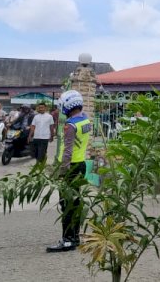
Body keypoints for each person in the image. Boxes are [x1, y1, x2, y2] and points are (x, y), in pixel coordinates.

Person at [47, 90, 91, 253]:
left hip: (71, 167)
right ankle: (75, 237)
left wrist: (62, 171)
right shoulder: (85, 120)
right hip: (81, 165)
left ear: (67, 106)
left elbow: (67, 151)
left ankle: (67, 240)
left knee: (67, 204)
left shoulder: (70, 125)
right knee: (76, 202)